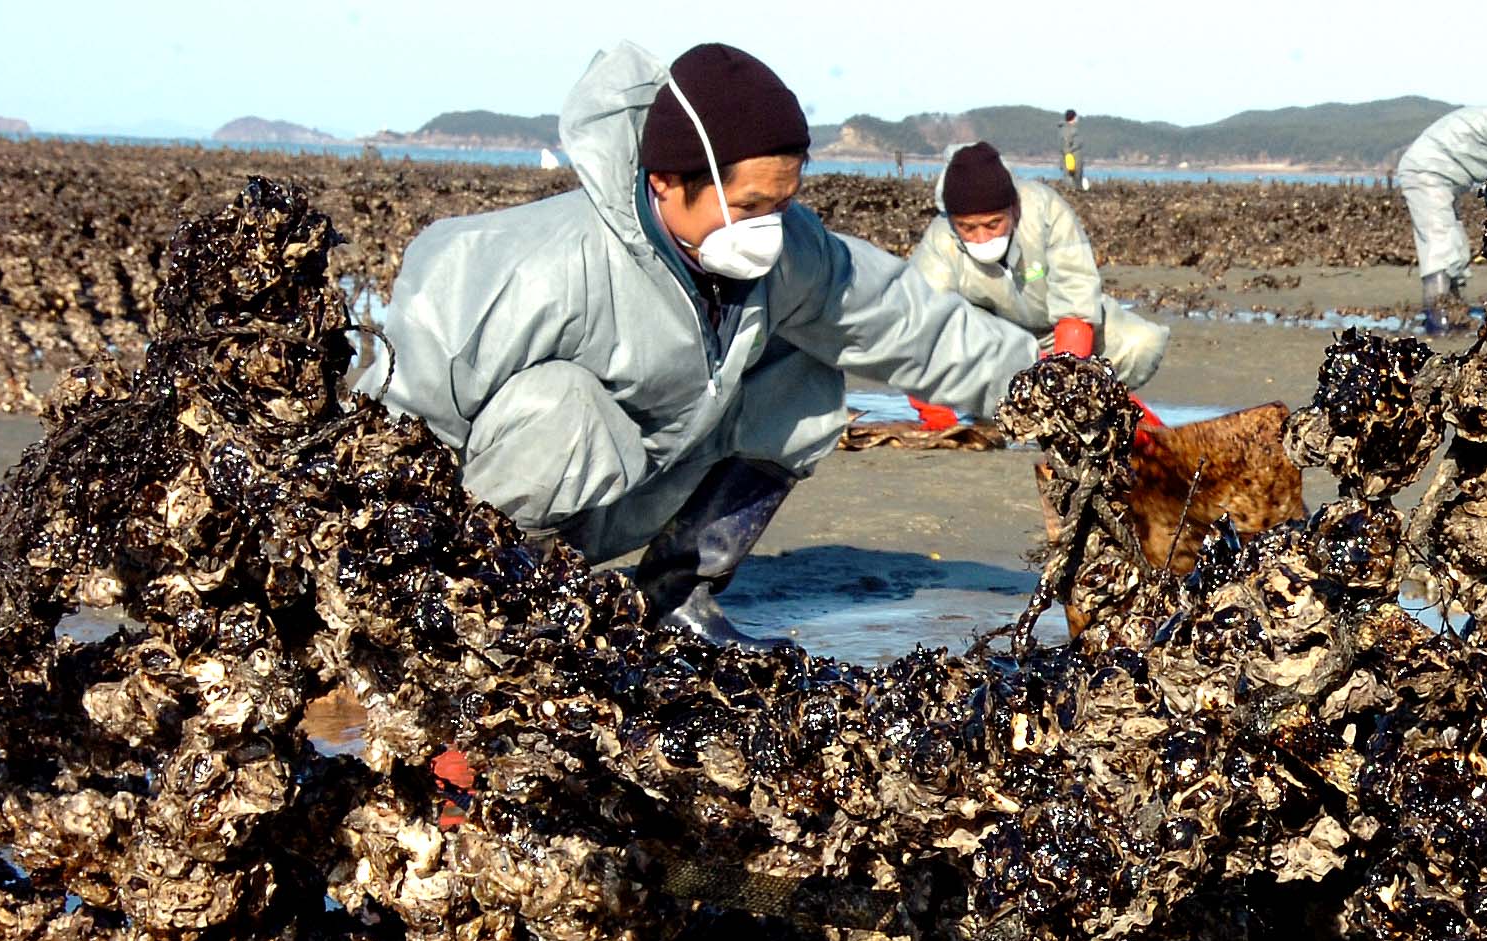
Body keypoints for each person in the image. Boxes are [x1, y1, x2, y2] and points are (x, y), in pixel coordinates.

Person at [374, 42, 1037, 649]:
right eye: (749, 206)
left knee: (808, 368)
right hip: (497, 528)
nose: (769, 229)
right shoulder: (520, 268)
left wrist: (1057, 392)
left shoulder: (788, 254)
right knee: (559, 406)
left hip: (649, 486)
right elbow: (386, 437)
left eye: (783, 203)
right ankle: (500, 621)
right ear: (665, 180)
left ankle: (675, 601)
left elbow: (908, 323)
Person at [909, 141, 1171, 389]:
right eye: (967, 228)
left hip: (1060, 330)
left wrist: (1063, 383)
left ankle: (1097, 408)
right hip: (994, 340)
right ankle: (988, 409)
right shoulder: (939, 239)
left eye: (992, 224)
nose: (981, 238)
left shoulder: (1044, 210)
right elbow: (923, 327)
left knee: (1140, 344)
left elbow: (1075, 296)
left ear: (1013, 209)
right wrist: (938, 421)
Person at [1395, 88, 1487, 334]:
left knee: (1453, 241)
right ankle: (1438, 320)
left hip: (1435, 170)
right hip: (1427, 171)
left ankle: (1452, 312)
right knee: (1439, 241)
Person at [1061, 109, 1085, 191]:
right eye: (1076, 117)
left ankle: (1073, 189)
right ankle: (1074, 190)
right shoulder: (1070, 130)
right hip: (1072, 158)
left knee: (1071, 177)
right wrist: (1071, 150)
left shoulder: (1066, 129)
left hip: (1071, 157)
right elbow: (1066, 145)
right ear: (1073, 117)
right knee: (1073, 178)